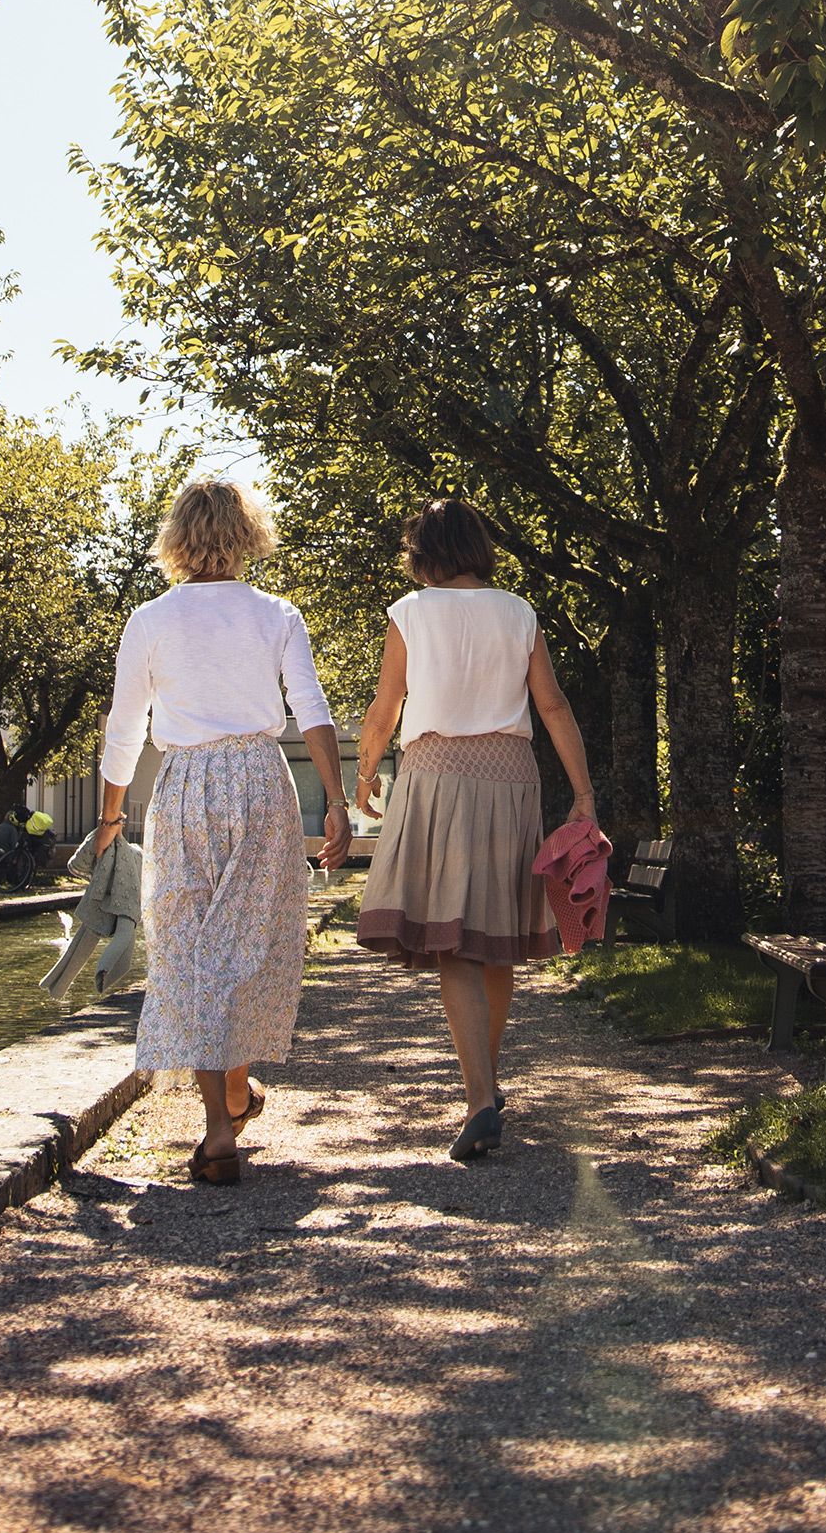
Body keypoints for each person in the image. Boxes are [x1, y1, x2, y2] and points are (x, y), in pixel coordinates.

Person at [97, 476, 351, 1184]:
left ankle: (221, 1120)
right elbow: (312, 709)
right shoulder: (277, 615)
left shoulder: (150, 620)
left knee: (188, 946)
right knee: (247, 944)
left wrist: (112, 815)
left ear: (177, 538)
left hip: (184, 787)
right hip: (262, 782)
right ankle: (232, 1101)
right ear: (248, 535)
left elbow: (125, 727)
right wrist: (335, 801)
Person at [354, 495, 598, 1160]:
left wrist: (366, 773)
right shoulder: (518, 612)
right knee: (493, 937)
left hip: (436, 773)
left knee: (453, 944)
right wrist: (583, 794)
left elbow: (385, 705)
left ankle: (481, 1100)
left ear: (424, 553)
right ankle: (485, 1086)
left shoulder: (410, 612)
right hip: (512, 775)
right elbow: (552, 705)